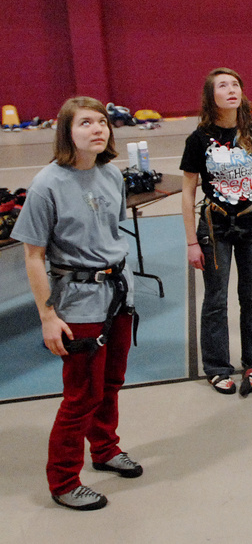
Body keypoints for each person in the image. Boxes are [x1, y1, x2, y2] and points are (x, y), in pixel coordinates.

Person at [12, 97, 143, 511]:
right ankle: (64, 479)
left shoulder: (110, 176)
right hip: (78, 302)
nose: (97, 128)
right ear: (67, 132)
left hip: (118, 292)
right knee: (82, 394)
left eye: (102, 121)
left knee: (111, 383)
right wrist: (48, 315)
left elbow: (109, 234)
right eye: (85, 122)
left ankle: (104, 448)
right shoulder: (47, 184)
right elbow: (33, 256)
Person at [181, 67, 252, 397]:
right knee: (216, 300)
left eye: (235, 84)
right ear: (211, 97)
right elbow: (188, 192)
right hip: (216, 227)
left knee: (251, 298)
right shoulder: (198, 139)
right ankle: (217, 366)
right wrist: (191, 242)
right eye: (222, 85)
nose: (231, 89)